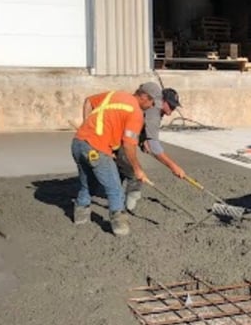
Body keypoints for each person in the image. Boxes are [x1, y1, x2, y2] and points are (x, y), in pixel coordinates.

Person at [72, 89, 150, 236]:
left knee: (88, 182)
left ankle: (80, 215)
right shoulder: (136, 112)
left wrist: (87, 125)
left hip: (78, 143)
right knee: (114, 188)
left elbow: (88, 101)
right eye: (152, 103)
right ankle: (120, 225)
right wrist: (137, 169)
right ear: (144, 97)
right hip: (96, 149)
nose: (151, 107)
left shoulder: (115, 95)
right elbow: (128, 145)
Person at [114, 82, 187, 212]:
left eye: (174, 107)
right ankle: (123, 204)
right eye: (170, 105)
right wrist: (173, 166)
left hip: (122, 136)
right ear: (162, 100)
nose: (171, 110)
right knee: (134, 170)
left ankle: (116, 199)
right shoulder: (155, 110)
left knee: (121, 168)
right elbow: (154, 146)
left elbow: (142, 125)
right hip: (118, 137)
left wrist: (143, 140)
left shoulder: (155, 111)